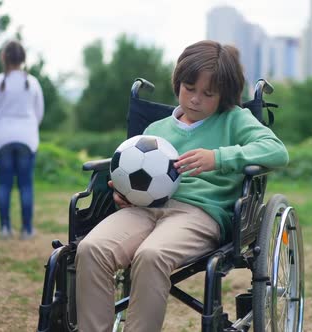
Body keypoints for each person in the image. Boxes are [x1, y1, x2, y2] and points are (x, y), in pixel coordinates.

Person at [75, 40, 289, 331]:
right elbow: (127, 171)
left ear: (224, 95)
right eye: (189, 89)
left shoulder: (234, 120)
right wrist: (122, 193)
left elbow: (277, 152)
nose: (195, 100)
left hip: (199, 214)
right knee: (91, 249)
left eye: (208, 94)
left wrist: (219, 157)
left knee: (152, 256)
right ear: (178, 83)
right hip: (143, 210)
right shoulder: (155, 131)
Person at [0, 40, 44, 240]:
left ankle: (5, 228)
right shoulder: (32, 82)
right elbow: (39, 112)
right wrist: (30, 129)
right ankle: (27, 229)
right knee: (26, 184)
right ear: (23, 58)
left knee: (4, 184)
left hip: (2, 138)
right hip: (27, 138)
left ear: (3, 57)